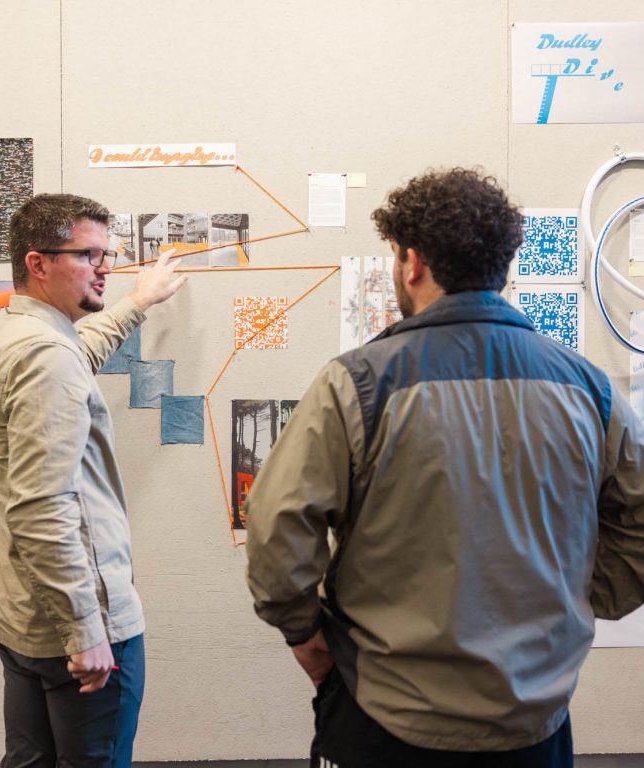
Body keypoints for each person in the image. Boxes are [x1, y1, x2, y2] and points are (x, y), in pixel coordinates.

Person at [245, 167, 644, 768]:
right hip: (534, 721)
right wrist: (586, 597)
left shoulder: (357, 383)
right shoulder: (590, 389)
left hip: (382, 714)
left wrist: (306, 639)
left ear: (412, 263)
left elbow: (277, 528)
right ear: (502, 266)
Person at [0, 193, 186, 767]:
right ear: (38, 263)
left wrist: (137, 303)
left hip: (22, 615)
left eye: (106, 254)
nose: (106, 267)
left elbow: (76, 353)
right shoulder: (46, 356)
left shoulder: (18, 336)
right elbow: (42, 506)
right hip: (79, 626)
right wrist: (86, 628)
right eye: (89, 255)